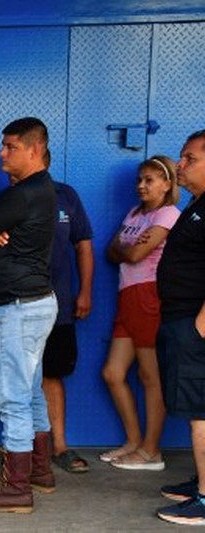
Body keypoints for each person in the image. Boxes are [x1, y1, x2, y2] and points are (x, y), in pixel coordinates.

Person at [0, 117, 58, 514]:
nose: (2, 153)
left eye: (10, 147)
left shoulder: (23, 194)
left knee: (13, 400)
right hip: (33, 304)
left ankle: (16, 488)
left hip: (16, 308)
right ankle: (40, 471)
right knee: (31, 391)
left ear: (34, 150)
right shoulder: (41, 192)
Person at [99, 156, 180, 471]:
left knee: (150, 377)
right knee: (113, 373)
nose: (142, 185)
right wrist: (124, 249)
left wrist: (124, 248)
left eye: (150, 179)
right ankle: (133, 442)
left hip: (149, 296)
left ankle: (151, 452)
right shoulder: (135, 213)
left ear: (167, 183)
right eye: (140, 179)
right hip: (127, 297)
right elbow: (110, 251)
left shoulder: (169, 214)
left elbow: (133, 253)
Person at [153, 130, 205, 525]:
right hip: (180, 318)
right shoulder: (196, 205)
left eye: (189, 159)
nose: (180, 165)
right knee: (196, 409)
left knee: (202, 411)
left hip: (194, 324)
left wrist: (201, 326)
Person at [42, 150, 95, 474]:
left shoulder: (66, 196)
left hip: (59, 304)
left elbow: (84, 245)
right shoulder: (6, 200)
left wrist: (85, 291)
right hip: (17, 307)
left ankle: (59, 446)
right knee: (18, 380)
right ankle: (23, 450)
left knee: (52, 374)